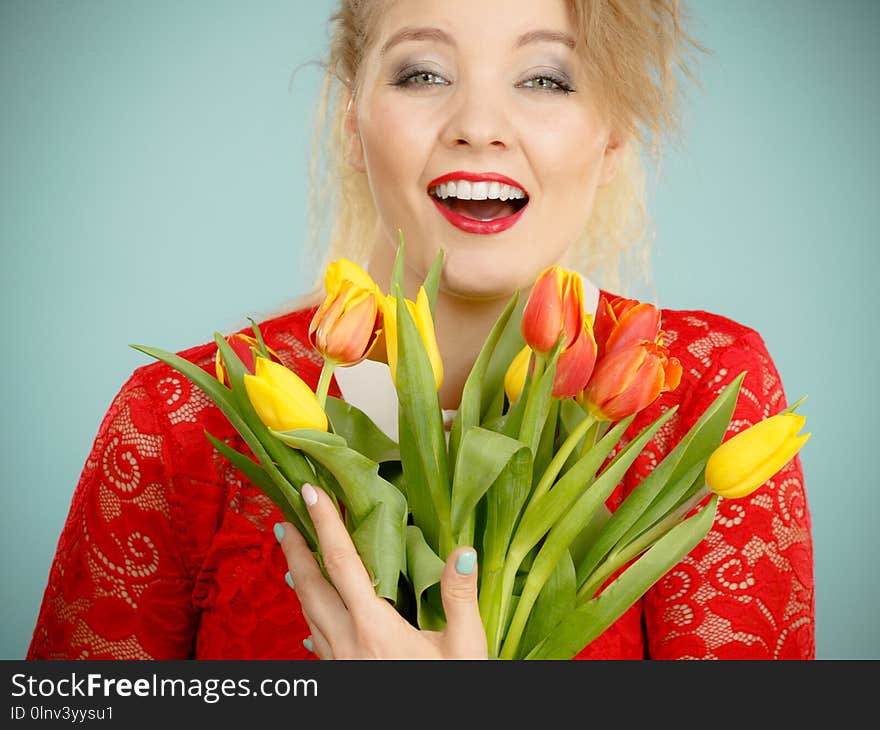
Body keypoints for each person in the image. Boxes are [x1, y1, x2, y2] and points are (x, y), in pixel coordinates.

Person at [27, 0, 814, 660]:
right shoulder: (183, 419)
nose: (479, 125)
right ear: (351, 119)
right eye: (423, 74)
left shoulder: (698, 393)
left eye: (545, 77)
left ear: (610, 138)